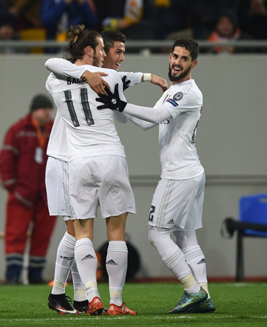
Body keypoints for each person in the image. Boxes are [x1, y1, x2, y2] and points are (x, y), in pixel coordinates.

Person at [95, 38, 214, 314]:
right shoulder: (174, 91)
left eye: (184, 59)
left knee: (156, 233)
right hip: (191, 172)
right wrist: (118, 102)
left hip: (179, 175)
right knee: (186, 237)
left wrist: (120, 104)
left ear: (193, 63)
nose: (176, 62)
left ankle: (193, 291)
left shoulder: (188, 92)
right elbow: (145, 122)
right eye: (174, 56)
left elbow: (158, 115)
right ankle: (204, 295)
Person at [45, 25, 136, 316]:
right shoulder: (88, 75)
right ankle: (61, 293)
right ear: (95, 52)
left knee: (79, 231)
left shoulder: (71, 79)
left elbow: (53, 64)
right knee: (76, 231)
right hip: (63, 159)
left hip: (77, 160)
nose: (119, 58)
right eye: (115, 51)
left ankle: (83, 295)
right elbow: (55, 62)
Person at [0, 94, 57, 285]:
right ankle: (13, 274)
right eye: (43, 108)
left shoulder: (56, 130)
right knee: (15, 234)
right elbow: (5, 158)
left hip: (47, 195)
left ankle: (35, 274)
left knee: (43, 236)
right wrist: (11, 186)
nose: (47, 112)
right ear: (34, 110)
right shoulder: (18, 130)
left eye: (49, 109)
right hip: (22, 194)